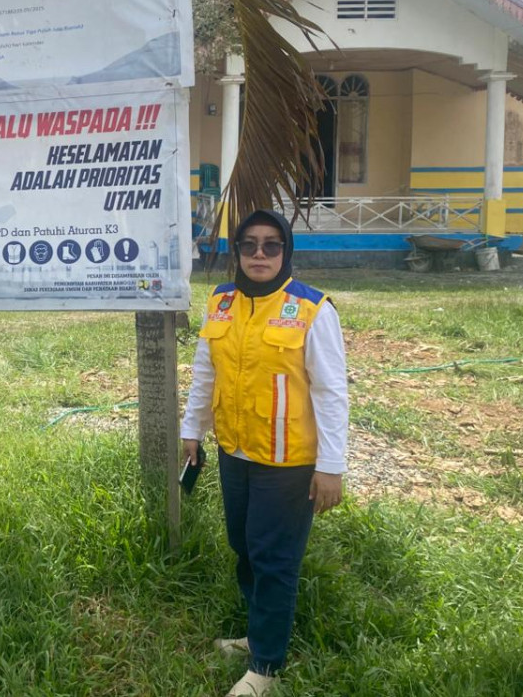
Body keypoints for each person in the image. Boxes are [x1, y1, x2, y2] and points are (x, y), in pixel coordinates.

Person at [180, 209, 348, 697]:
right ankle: (257, 635)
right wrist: (193, 429)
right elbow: (206, 371)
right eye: (249, 244)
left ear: (285, 251)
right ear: (236, 252)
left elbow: (331, 393)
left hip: (288, 462)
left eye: (271, 245)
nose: (259, 254)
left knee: (274, 560)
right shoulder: (221, 302)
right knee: (245, 548)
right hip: (235, 452)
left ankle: (267, 667)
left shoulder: (312, 309)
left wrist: (331, 467)